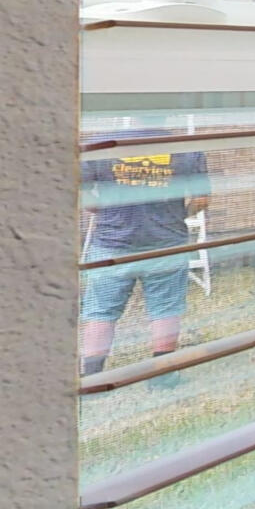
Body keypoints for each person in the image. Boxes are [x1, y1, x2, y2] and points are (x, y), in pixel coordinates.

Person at [79, 138, 212, 376]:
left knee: (100, 310)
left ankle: (92, 376)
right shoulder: (187, 149)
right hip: (165, 242)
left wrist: (109, 212)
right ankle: (162, 375)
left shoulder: (101, 147)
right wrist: (178, 215)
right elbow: (201, 199)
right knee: (165, 309)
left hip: (113, 242)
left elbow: (83, 195)